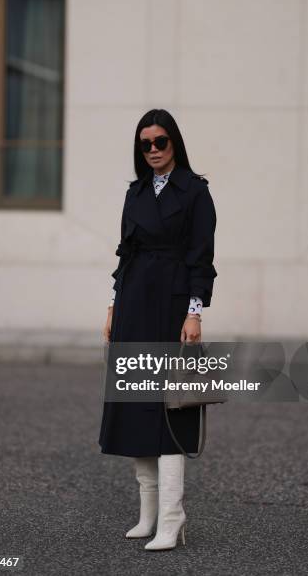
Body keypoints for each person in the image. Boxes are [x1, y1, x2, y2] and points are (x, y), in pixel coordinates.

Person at [99, 108, 217, 551]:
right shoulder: (136, 192)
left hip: (170, 306)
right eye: (144, 143)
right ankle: (148, 513)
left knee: (170, 408)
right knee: (135, 403)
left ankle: (173, 517)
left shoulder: (196, 192)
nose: (152, 150)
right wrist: (113, 305)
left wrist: (194, 311)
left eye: (160, 142)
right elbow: (124, 253)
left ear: (174, 144)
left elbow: (202, 257)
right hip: (133, 303)